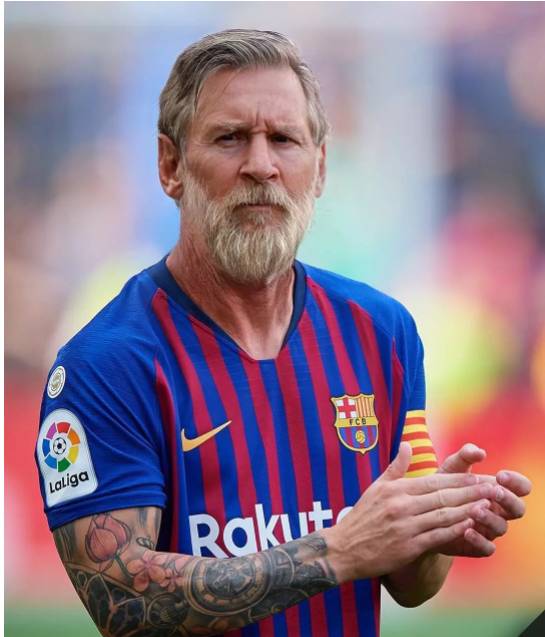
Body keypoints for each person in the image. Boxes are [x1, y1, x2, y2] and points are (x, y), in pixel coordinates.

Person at [35, 29, 531, 637]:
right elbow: (121, 603)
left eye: (284, 140)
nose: (261, 165)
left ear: (318, 168)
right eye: (230, 138)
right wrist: (338, 551)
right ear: (170, 165)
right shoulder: (106, 363)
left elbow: (412, 586)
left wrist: (433, 526)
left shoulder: (383, 332)